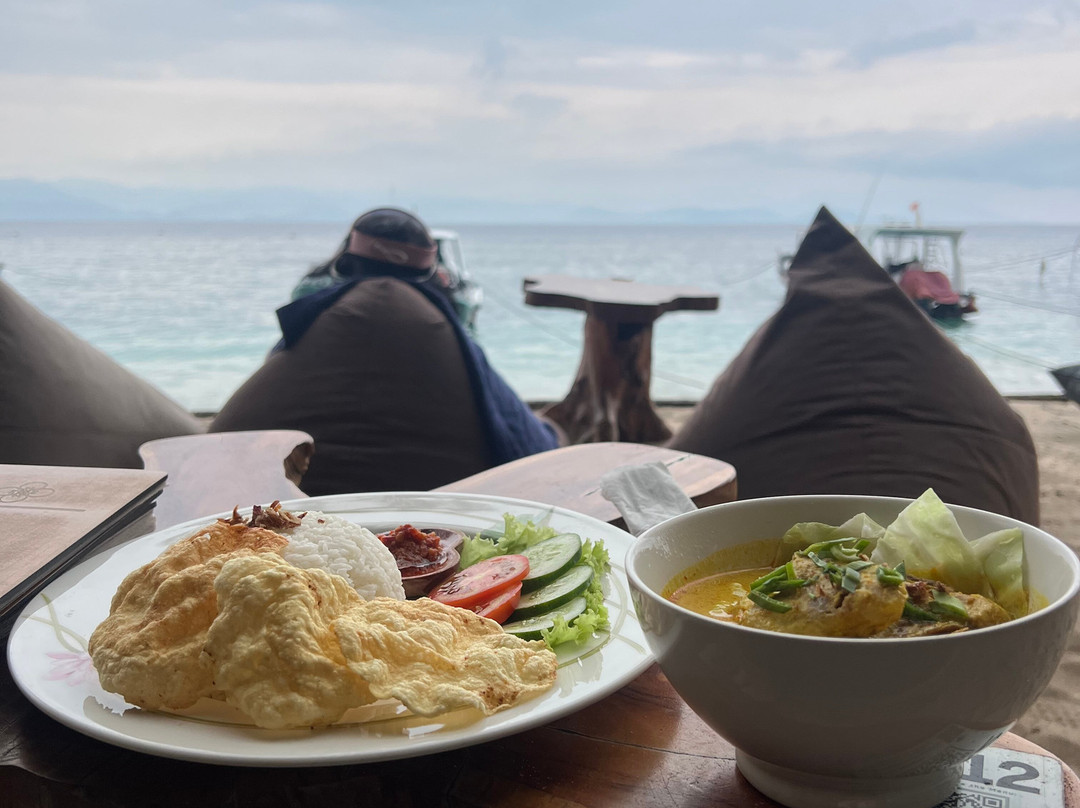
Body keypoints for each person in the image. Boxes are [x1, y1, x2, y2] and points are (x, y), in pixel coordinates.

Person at [212, 208, 560, 495]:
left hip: (281, 511)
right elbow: (527, 440)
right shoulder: (441, 329)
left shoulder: (313, 321)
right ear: (431, 270)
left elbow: (232, 428)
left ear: (343, 261)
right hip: (431, 518)